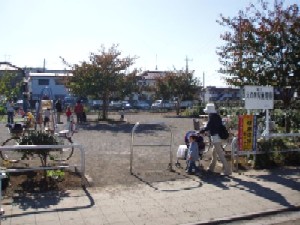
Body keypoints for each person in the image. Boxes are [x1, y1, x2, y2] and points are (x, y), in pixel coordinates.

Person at [202, 103, 231, 176]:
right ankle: (211, 168)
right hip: (219, 137)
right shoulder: (217, 116)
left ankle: (227, 171)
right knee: (214, 153)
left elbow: (208, 127)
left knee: (220, 154)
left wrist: (201, 131)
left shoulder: (212, 117)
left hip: (215, 138)